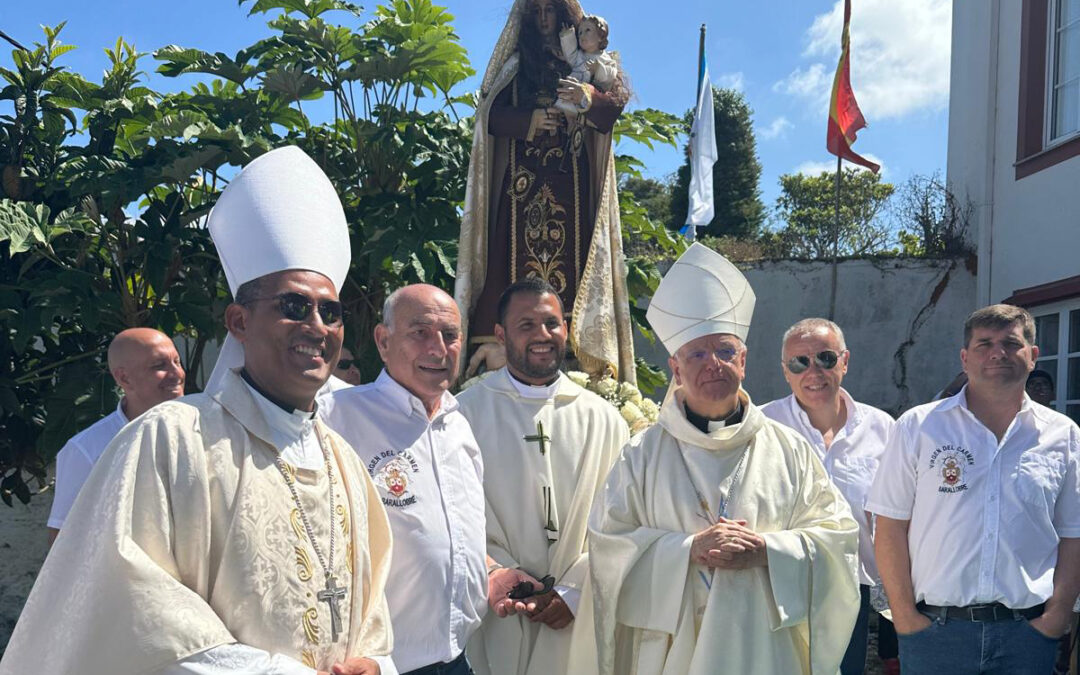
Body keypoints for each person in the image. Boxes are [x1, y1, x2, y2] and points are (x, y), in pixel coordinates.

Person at [0, 146, 396, 675]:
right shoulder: (169, 438)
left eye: (331, 311)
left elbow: (372, 610)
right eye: (294, 306)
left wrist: (373, 662)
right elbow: (135, 606)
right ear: (237, 321)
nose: (318, 327)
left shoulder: (344, 461)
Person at [588, 243, 860, 675]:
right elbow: (607, 546)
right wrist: (687, 550)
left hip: (765, 652)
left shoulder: (788, 450)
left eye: (725, 351)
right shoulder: (641, 455)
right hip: (673, 653)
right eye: (697, 354)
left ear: (744, 361)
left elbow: (839, 540)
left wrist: (769, 550)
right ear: (676, 369)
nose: (713, 364)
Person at [868, 304, 1080, 675]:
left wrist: (1057, 615)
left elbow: (1073, 535)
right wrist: (904, 618)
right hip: (935, 633)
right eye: (984, 344)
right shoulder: (919, 427)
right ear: (965, 359)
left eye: (1011, 344)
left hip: (1027, 636)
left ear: (1032, 357)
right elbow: (889, 526)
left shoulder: (1064, 436)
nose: (998, 353)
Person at [456, 278, 629, 675]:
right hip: (495, 606)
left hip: (577, 608)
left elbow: (622, 520)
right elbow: (453, 514)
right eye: (526, 325)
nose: (542, 335)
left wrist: (573, 589)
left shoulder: (604, 419)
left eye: (552, 323)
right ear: (500, 334)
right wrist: (499, 574)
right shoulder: (464, 415)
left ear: (566, 330)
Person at [456, 0, 635, 383]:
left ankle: (577, 350)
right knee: (506, 261)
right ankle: (503, 342)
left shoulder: (585, 63)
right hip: (520, 192)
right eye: (535, 12)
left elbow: (610, 109)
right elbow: (490, 116)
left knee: (580, 256)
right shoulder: (516, 68)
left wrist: (585, 101)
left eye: (549, 11)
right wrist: (530, 120)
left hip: (572, 187)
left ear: (564, 16)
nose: (542, 20)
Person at [321, 284, 487, 675]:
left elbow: (455, 533)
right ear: (383, 340)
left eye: (450, 335)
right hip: (381, 665)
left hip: (458, 657)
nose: (437, 348)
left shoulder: (458, 425)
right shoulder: (338, 417)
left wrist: (492, 572)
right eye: (420, 332)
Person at [760, 318, 895, 675]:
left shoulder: (883, 428)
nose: (813, 371)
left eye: (825, 358)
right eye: (799, 363)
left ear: (845, 361)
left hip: (853, 585)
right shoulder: (761, 426)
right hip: (780, 583)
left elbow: (896, 510)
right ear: (786, 372)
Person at [47, 327, 185, 543]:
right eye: (159, 366)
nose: (177, 374)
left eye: (177, 362)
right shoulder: (88, 450)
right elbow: (64, 539)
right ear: (124, 378)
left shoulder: (204, 430)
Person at [555, 15, 617, 116]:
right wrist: (567, 36)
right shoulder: (579, 55)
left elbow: (611, 75)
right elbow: (570, 54)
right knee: (562, 106)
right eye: (580, 33)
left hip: (588, 98)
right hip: (570, 91)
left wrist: (598, 69)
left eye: (588, 30)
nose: (582, 35)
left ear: (601, 35)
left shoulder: (604, 58)